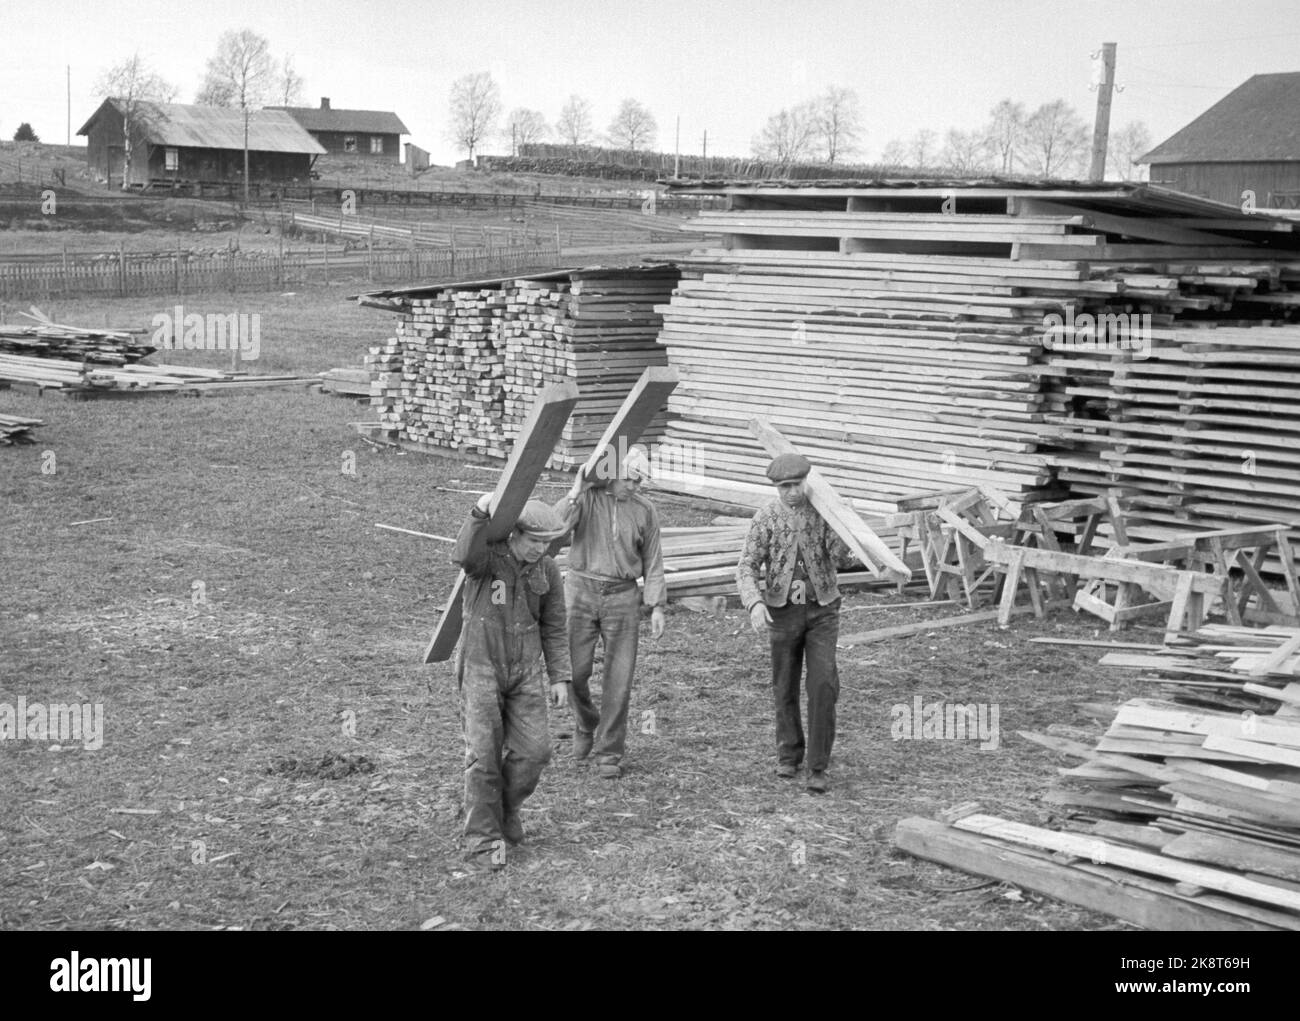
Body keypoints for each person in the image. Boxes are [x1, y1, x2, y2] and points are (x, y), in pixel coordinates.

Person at [452, 494, 572, 870]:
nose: (541, 548)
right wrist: (478, 513)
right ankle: (482, 841)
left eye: (547, 542)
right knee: (484, 756)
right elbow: (463, 556)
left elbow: (554, 625)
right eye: (534, 540)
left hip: (525, 672)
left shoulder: (547, 570)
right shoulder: (487, 559)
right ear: (516, 534)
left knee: (536, 752)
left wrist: (560, 676)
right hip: (481, 667)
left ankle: (504, 809)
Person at [736, 452, 855, 793]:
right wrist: (754, 602)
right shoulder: (766, 518)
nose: (791, 492)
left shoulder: (823, 514)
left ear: (807, 482)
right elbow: (746, 565)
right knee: (784, 685)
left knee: (823, 686)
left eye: (796, 484)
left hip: (822, 610)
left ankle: (817, 766)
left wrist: (845, 521)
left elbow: (843, 559)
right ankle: (789, 755)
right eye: (784, 486)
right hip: (782, 612)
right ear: (776, 487)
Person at [555, 445, 667, 779]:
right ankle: (586, 721)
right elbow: (555, 528)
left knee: (619, 678)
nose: (636, 486)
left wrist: (657, 605)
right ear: (613, 473)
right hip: (580, 591)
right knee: (572, 672)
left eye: (641, 481)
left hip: (622, 596)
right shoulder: (588, 499)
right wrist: (575, 492)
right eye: (632, 479)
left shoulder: (645, 510)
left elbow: (654, 560)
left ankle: (609, 751)